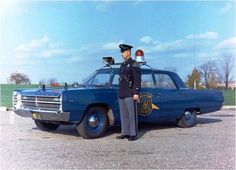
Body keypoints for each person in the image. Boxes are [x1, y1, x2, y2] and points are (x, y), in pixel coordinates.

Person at [116, 44, 141, 141]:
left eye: (123, 52)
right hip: (122, 92)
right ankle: (125, 132)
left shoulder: (134, 64)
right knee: (124, 115)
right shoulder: (122, 64)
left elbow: (137, 79)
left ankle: (133, 134)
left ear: (128, 52)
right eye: (121, 52)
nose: (122, 54)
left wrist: (136, 92)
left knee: (131, 114)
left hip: (130, 92)